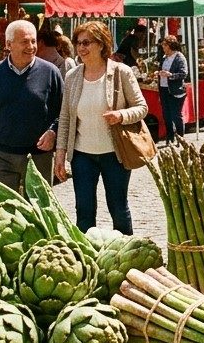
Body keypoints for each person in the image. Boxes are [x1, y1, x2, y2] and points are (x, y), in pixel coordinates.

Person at [54, 21, 148, 234]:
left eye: (87, 42)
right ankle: (87, 252)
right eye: (78, 43)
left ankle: (126, 250)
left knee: (118, 208)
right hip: (82, 156)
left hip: (115, 154)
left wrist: (121, 115)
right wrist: (60, 154)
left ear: (102, 44)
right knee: (84, 211)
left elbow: (142, 108)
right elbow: (65, 118)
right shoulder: (72, 76)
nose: (81, 48)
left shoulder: (121, 72)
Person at [0, 20, 63, 193]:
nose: (31, 46)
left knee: (40, 208)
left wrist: (53, 132)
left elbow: (63, 113)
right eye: (25, 42)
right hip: (3, 157)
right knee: (3, 207)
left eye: (33, 41)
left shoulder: (51, 73)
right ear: (8, 44)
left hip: (39, 157)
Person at [156, 35, 188, 142]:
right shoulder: (164, 57)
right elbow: (161, 70)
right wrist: (159, 73)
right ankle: (170, 137)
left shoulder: (179, 58)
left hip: (175, 90)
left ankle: (180, 138)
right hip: (163, 88)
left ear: (170, 46)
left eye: (165, 45)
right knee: (166, 115)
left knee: (176, 115)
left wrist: (170, 75)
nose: (163, 47)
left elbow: (183, 74)